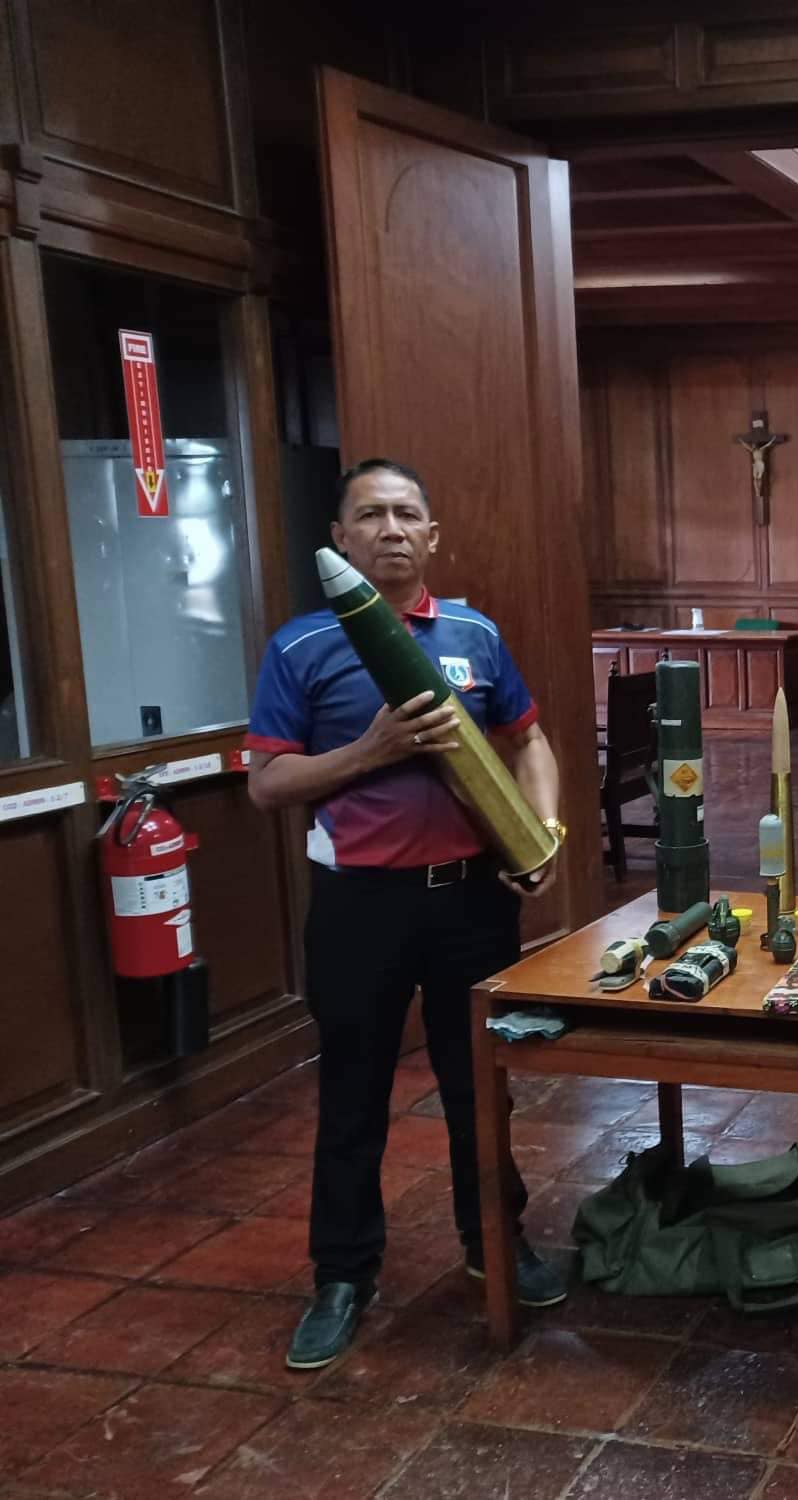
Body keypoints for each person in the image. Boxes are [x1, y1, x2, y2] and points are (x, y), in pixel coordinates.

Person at [246, 458, 569, 1370]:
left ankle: (496, 1244)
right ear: (340, 538)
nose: (390, 529)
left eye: (405, 514)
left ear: (432, 535)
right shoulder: (302, 647)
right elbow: (268, 784)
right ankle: (342, 1276)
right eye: (370, 515)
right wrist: (371, 749)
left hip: (470, 901)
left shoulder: (475, 633)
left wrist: (543, 830)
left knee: (480, 1088)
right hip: (360, 907)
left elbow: (529, 740)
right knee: (353, 1094)